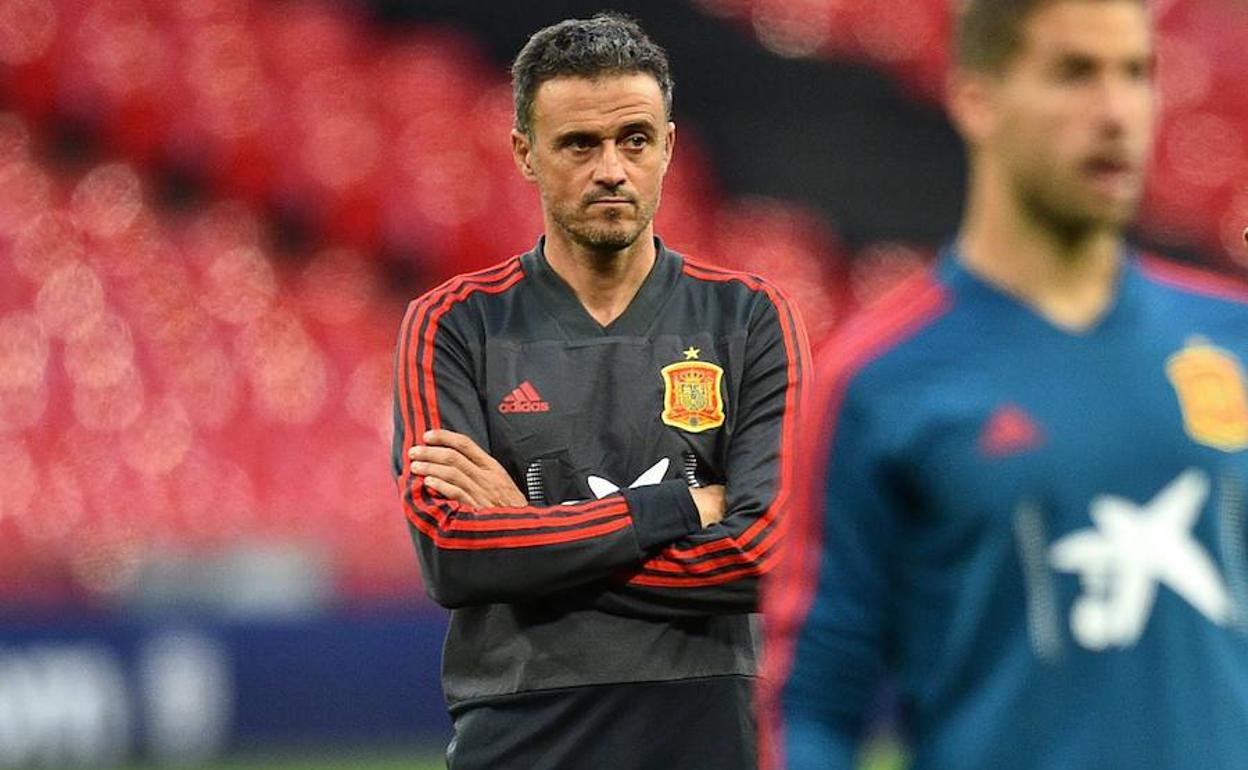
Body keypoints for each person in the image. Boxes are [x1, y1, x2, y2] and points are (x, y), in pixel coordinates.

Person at [764, 1, 1248, 768]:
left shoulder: (1232, 338)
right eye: (1074, 73)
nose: (1116, 112)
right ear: (977, 99)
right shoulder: (880, 380)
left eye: (1136, 73)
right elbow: (814, 699)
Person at [391, 13, 808, 770]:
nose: (611, 169)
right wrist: (677, 508)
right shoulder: (452, 324)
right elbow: (455, 554)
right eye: (580, 144)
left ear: (669, 146)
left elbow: (764, 557)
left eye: (634, 140)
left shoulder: (749, 317)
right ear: (525, 152)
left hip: (710, 732)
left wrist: (530, 538)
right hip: (522, 735)